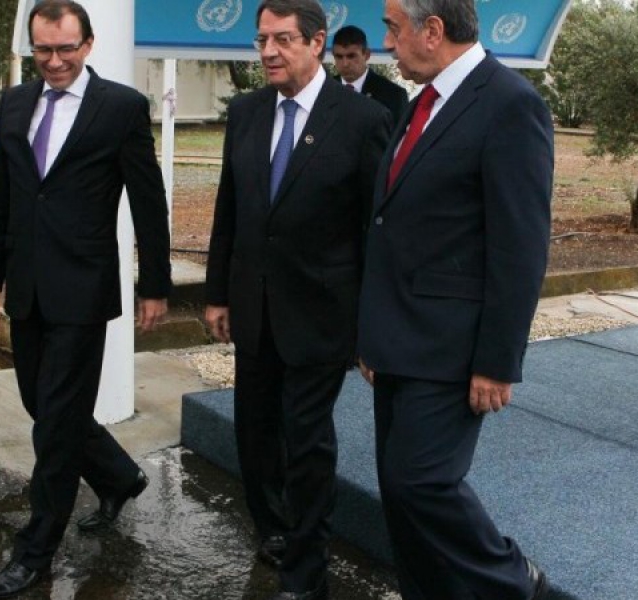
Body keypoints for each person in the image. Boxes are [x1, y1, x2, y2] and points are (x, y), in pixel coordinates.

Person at [356, 0, 554, 598]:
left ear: (432, 31)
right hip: (397, 340)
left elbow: (520, 247)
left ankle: (515, 581)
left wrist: (498, 360)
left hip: (453, 347)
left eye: (393, 29)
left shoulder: (510, 104)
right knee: (398, 493)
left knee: (422, 482)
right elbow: (391, 224)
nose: (386, 42)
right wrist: (372, 335)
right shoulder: (420, 104)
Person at [0, 0, 171, 597]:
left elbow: (148, 201)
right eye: (43, 49)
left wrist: (155, 284)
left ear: (87, 44)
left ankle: (35, 551)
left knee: (56, 426)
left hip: (83, 289)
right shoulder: (15, 103)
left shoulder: (121, 107)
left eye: (65, 48)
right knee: (43, 404)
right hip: (27, 287)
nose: (54, 61)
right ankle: (118, 476)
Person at [204, 1, 389, 598]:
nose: (269, 52)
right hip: (253, 312)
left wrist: (371, 327)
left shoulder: (361, 120)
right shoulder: (246, 113)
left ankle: (306, 573)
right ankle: (275, 532)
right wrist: (217, 293)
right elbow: (230, 209)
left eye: (282, 39)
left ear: (317, 43)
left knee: (306, 443)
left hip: (321, 316)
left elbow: (374, 231)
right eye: (262, 39)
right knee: (255, 437)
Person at [331, 25, 408, 122]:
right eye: (339, 57)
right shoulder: (323, 90)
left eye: (351, 56)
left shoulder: (393, 95)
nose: (345, 64)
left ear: (367, 55)